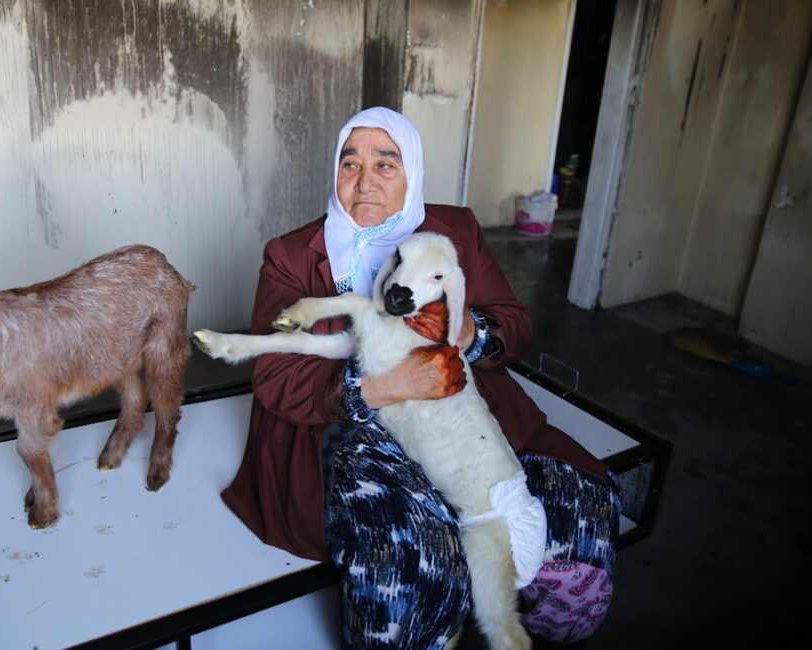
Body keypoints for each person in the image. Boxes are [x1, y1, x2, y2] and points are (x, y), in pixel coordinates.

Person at [221, 106, 621, 648]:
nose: (363, 183)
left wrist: (468, 333)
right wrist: (390, 384)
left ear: (412, 175)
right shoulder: (292, 256)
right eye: (349, 164)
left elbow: (515, 324)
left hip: (462, 412)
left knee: (580, 528)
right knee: (415, 558)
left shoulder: (454, 229)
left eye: (385, 164)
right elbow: (275, 378)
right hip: (349, 425)